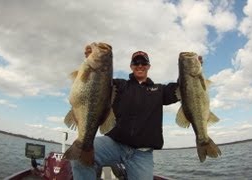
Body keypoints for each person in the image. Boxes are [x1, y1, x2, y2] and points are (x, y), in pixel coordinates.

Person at [70, 50, 180, 180]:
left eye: (143, 62)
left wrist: (188, 68)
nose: (140, 65)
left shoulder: (160, 90)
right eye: (136, 62)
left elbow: (182, 88)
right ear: (131, 66)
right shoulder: (119, 85)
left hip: (142, 154)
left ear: (148, 66)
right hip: (114, 144)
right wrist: (92, 59)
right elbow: (98, 81)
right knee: (79, 155)